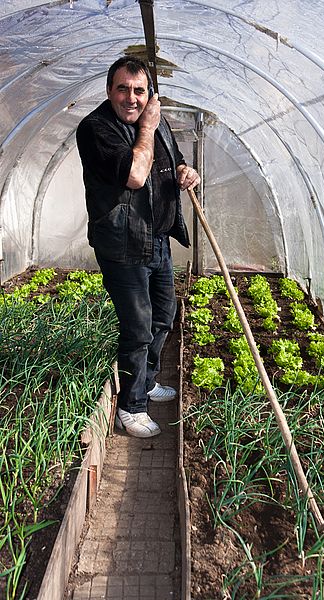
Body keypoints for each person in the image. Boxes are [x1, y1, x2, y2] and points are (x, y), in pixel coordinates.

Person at [76, 56, 200, 438]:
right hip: (123, 247)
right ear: (109, 90)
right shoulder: (97, 129)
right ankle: (131, 408)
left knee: (164, 314)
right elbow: (134, 175)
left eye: (140, 91)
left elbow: (173, 161)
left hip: (156, 240)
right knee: (137, 328)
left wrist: (185, 171)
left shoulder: (156, 122)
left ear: (149, 93)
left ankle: (144, 381)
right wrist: (147, 126)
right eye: (123, 89)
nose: (131, 98)